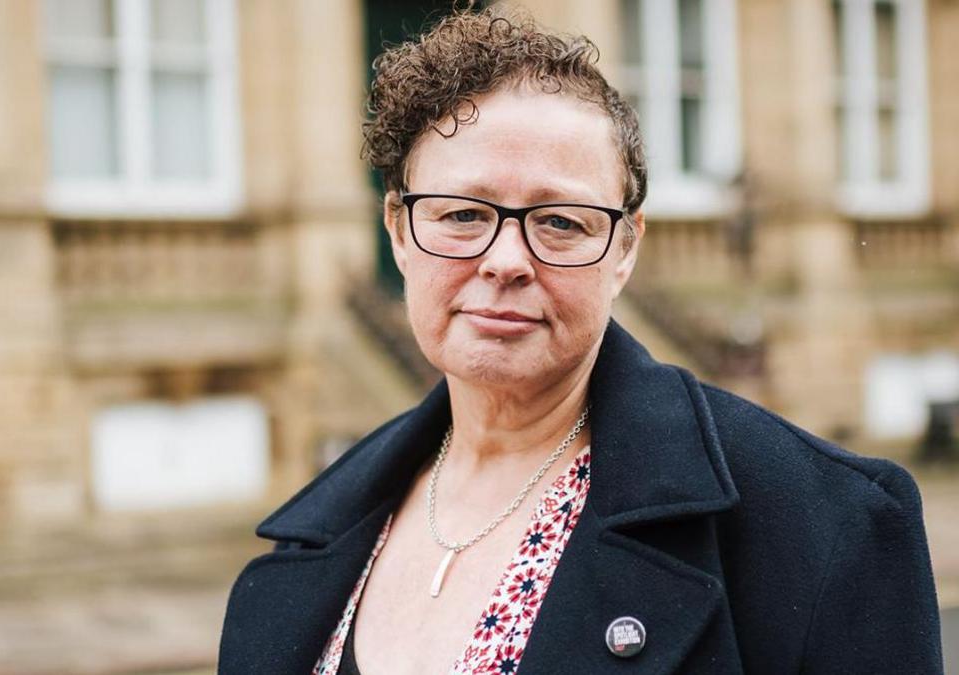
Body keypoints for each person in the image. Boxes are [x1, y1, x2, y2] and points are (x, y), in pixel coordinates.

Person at [219, 9, 943, 674]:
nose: (505, 259)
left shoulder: (827, 525)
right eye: (462, 215)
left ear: (625, 247)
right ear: (398, 230)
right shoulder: (312, 541)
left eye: (561, 222)